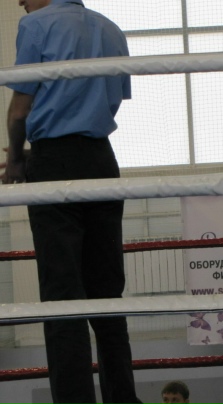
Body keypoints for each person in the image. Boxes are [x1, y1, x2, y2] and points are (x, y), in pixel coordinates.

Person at [4, 1, 141, 404]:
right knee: (106, 293)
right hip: (101, 159)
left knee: (62, 296)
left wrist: (17, 160)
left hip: (53, 161)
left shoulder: (36, 25)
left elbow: (19, 111)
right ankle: (122, 398)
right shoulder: (111, 28)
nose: (19, 1)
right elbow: (112, 100)